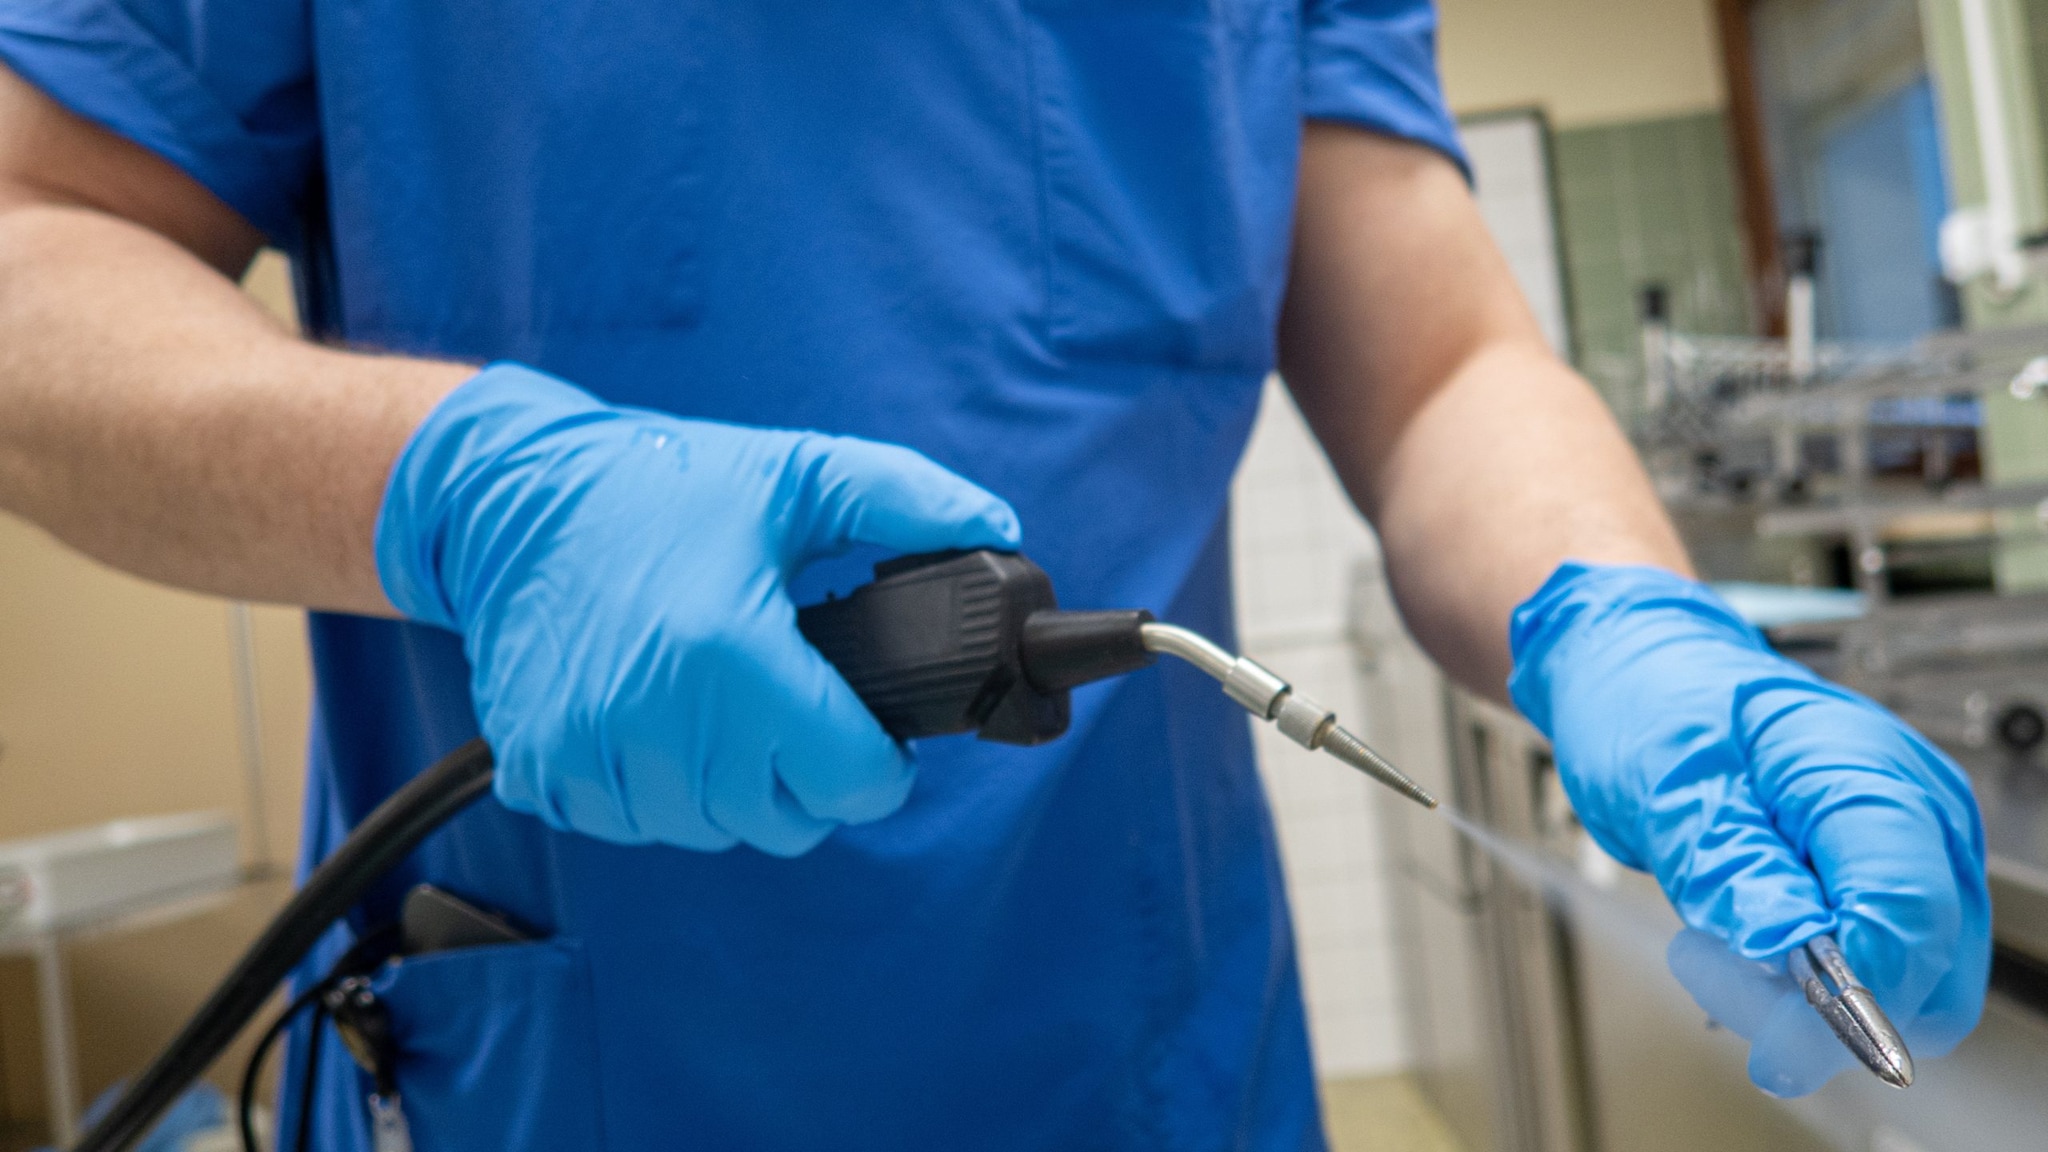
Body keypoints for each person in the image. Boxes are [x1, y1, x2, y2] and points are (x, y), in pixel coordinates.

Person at [0, 1, 1985, 1148]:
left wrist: (1626, 621)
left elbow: (1444, 358)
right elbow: (31, 251)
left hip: (1148, 1067)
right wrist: (462, 485)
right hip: (570, 1075)